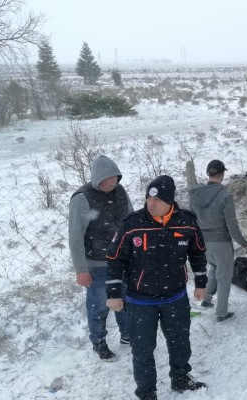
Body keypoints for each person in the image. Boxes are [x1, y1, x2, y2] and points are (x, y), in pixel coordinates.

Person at [106, 175, 208, 400]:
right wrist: (113, 293)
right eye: (148, 198)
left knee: (180, 343)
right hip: (140, 301)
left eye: (157, 200)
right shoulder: (132, 224)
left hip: (175, 297)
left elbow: (198, 252)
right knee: (142, 351)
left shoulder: (187, 222)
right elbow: (114, 259)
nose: (150, 204)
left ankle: (180, 378)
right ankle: (146, 392)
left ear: (170, 202)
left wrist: (201, 283)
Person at [68, 154, 132, 361]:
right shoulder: (82, 199)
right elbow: (75, 236)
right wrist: (81, 270)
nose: (115, 181)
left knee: (124, 299)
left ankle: (127, 335)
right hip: (96, 264)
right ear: (98, 178)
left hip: (121, 260)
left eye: (116, 177)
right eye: (110, 177)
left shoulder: (120, 192)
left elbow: (131, 223)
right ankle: (99, 342)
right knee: (99, 306)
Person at [188, 159, 247, 322]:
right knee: (224, 278)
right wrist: (243, 243)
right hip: (221, 243)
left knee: (214, 270)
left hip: (204, 243)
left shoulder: (195, 195)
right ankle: (221, 313)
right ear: (222, 175)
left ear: (208, 174)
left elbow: (191, 220)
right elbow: (232, 225)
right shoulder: (224, 196)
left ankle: (207, 300)